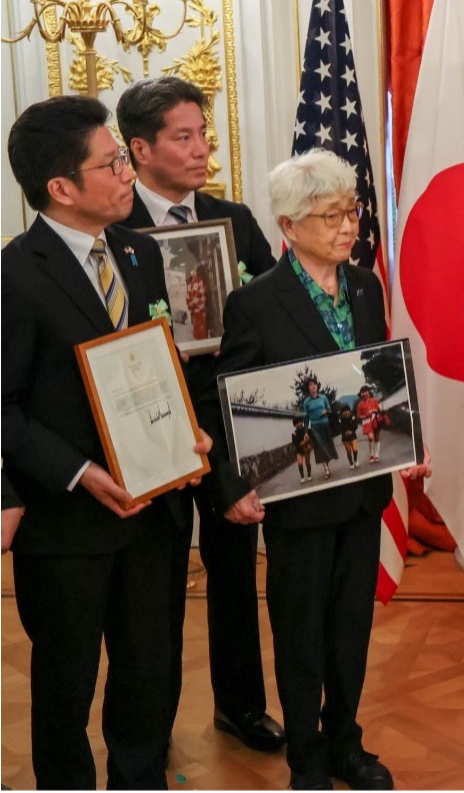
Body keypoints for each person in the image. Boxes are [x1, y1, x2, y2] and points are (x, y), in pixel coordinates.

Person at [3, 95, 212, 789]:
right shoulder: (15, 275)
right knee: (66, 685)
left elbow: (157, 366)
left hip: (154, 517)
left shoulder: (139, 252)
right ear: (61, 187)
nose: (128, 172)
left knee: (149, 672)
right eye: (113, 161)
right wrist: (81, 471)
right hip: (69, 526)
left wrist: (187, 431)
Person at [209, 149, 432, 791]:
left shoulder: (364, 286)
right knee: (301, 630)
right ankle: (305, 753)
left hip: (362, 492)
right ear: (288, 224)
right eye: (330, 214)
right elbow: (233, 402)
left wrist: (406, 439)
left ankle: (347, 742)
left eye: (351, 211)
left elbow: (378, 379)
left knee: (351, 629)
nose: (347, 226)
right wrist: (235, 483)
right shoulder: (255, 302)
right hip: (297, 502)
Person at [116, 76, 285, 755]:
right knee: (151, 590)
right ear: (139, 148)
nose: (200, 150)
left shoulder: (232, 218)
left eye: (203, 134)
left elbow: (271, 305)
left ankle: (240, 705)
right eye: (182, 137)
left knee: (238, 575)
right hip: (153, 437)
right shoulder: (113, 226)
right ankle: (148, 729)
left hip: (231, 428)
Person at [302, 379, 339, 480]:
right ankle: (326, 469)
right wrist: (305, 432)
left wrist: (326, 412)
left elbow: (330, 410)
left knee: (327, 446)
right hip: (315, 426)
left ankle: (327, 464)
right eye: (310, 385)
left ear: (317, 386)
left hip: (325, 424)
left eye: (314, 384)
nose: (313, 386)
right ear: (308, 388)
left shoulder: (323, 398)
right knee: (319, 447)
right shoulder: (306, 402)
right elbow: (306, 418)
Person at [356, 385, 385, 464]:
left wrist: (373, 410)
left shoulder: (374, 400)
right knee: (370, 437)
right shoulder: (360, 404)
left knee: (377, 437)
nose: (364, 393)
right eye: (362, 392)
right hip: (366, 422)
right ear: (361, 394)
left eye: (365, 392)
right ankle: (371, 454)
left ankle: (377, 455)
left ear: (369, 392)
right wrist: (365, 416)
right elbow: (359, 416)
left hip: (375, 420)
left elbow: (379, 409)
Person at [338, 403, 361, 469]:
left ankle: (356, 460)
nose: (346, 412)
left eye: (347, 410)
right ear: (342, 413)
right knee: (348, 451)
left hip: (353, 435)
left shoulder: (353, 418)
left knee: (355, 449)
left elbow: (356, 426)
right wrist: (345, 432)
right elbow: (340, 429)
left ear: (349, 411)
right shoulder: (340, 420)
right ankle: (351, 463)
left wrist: (352, 431)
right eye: (344, 411)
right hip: (345, 437)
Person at [291, 417, 314, 483]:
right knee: (300, 463)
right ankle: (302, 477)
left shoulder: (307, 430)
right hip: (298, 450)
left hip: (306, 448)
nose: (299, 424)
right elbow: (294, 442)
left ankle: (309, 475)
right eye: (296, 423)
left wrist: (309, 444)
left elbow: (311, 437)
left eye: (300, 422)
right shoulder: (294, 433)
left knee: (307, 462)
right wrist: (303, 442)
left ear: (302, 422)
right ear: (294, 425)